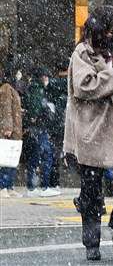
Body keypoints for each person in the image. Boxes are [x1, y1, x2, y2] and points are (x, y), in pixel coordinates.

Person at [63, 5, 113, 261]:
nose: (111, 35)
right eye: (107, 31)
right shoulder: (82, 53)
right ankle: (91, 242)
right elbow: (84, 87)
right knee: (91, 189)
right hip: (92, 129)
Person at [23, 67, 61, 197]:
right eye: (45, 76)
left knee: (36, 156)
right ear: (41, 77)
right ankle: (43, 187)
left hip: (37, 128)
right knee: (45, 155)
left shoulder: (35, 88)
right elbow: (36, 108)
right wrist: (45, 113)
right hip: (39, 128)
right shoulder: (37, 89)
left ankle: (32, 187)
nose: (47, 79)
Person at [0, 67, 23, 198]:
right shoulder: (6, 88)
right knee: (5, 159)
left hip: (15, 131)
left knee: (12, 158)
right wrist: (7, 127)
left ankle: (9, 186)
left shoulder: (11, 89)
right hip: (9, 131)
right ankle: (3, 186)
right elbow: (6, 109)